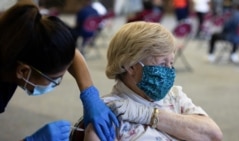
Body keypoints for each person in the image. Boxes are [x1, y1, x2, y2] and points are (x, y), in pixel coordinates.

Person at [81, 21, 223, 141]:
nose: (169, 71)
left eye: (171, 64)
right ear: (131, 66)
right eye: (162, 64)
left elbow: (213, 135)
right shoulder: (108, 113)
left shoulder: (174, 96)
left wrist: (149, 115)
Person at [0, 0, 118, 141]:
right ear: (24, 71)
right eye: (54, 79)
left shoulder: (19, 38)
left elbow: (70, 54)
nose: (56, 83)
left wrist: (90, 95)